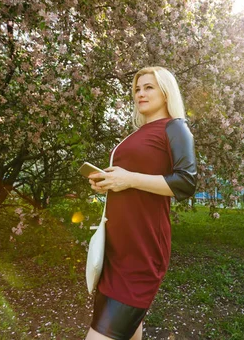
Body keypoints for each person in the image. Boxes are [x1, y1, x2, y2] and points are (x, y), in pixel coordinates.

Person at [85, 67, 197, 340]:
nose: (140, 94)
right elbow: (129, 180)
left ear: (165, 91)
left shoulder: (175, 127)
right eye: (136, 89)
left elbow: (185, 182)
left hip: (141, 251)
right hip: (117, 249)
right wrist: (108, 182)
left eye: (149, 87)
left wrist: (129, 179)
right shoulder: (139, 133)